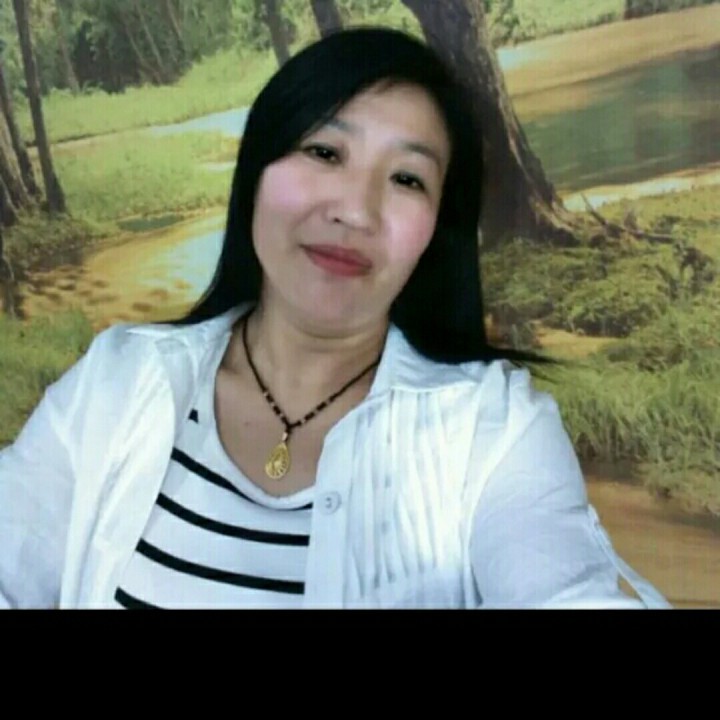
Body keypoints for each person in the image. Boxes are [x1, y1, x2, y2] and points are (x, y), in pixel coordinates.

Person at [0, 27, 669, 609]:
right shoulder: (117, 383)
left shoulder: (493, 432)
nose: (355, 210)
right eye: (324, 152)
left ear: (437, 229)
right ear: (256, 172)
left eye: (407, 179)